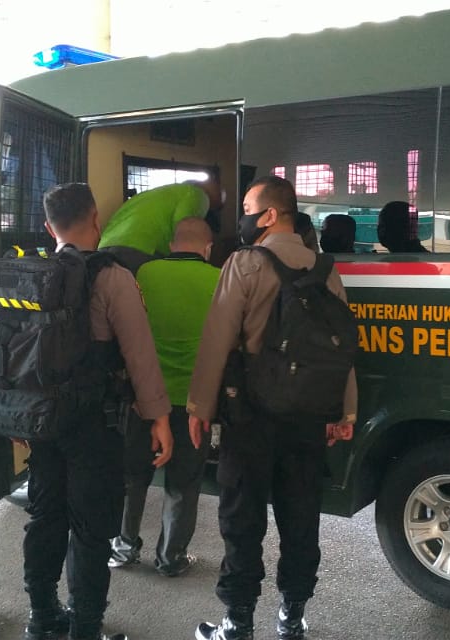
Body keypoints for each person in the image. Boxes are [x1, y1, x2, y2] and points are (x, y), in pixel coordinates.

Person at [186, 176, 357, 640]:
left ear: (269, 215)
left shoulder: (244, 263)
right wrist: (344, 413)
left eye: (247, 208)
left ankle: (237, 622)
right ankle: (292, 617)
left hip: (250, 416)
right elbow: (339, 349)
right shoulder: (326, 269)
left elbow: (217, 340)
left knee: (241, 517)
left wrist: (199, 407)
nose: (242, 217)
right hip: (308, 417)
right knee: (301, 516)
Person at [22, 183, 175, 640]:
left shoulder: (34, 273)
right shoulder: (112, 277)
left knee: (45, 516)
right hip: (94, 422)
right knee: (90, 528)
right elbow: (139, 354)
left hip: (42, 419)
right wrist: (159, 417)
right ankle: (85, 627)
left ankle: (41, 616)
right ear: (96, 220)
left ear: (49, 227)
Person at [109, 217, 220, 577]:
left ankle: (124, 548)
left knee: (132, 477)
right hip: (193, 402)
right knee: (184, 482)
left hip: (144, 396)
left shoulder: (144, 273)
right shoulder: (219, 279)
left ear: (171, 245)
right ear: (207, 248)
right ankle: (171, 557)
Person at [99, 177, 224, 271]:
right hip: (141, 249)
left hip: (104, 247)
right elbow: (184, 229)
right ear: (215, 195)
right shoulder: (198, 194)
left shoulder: (162, 192)